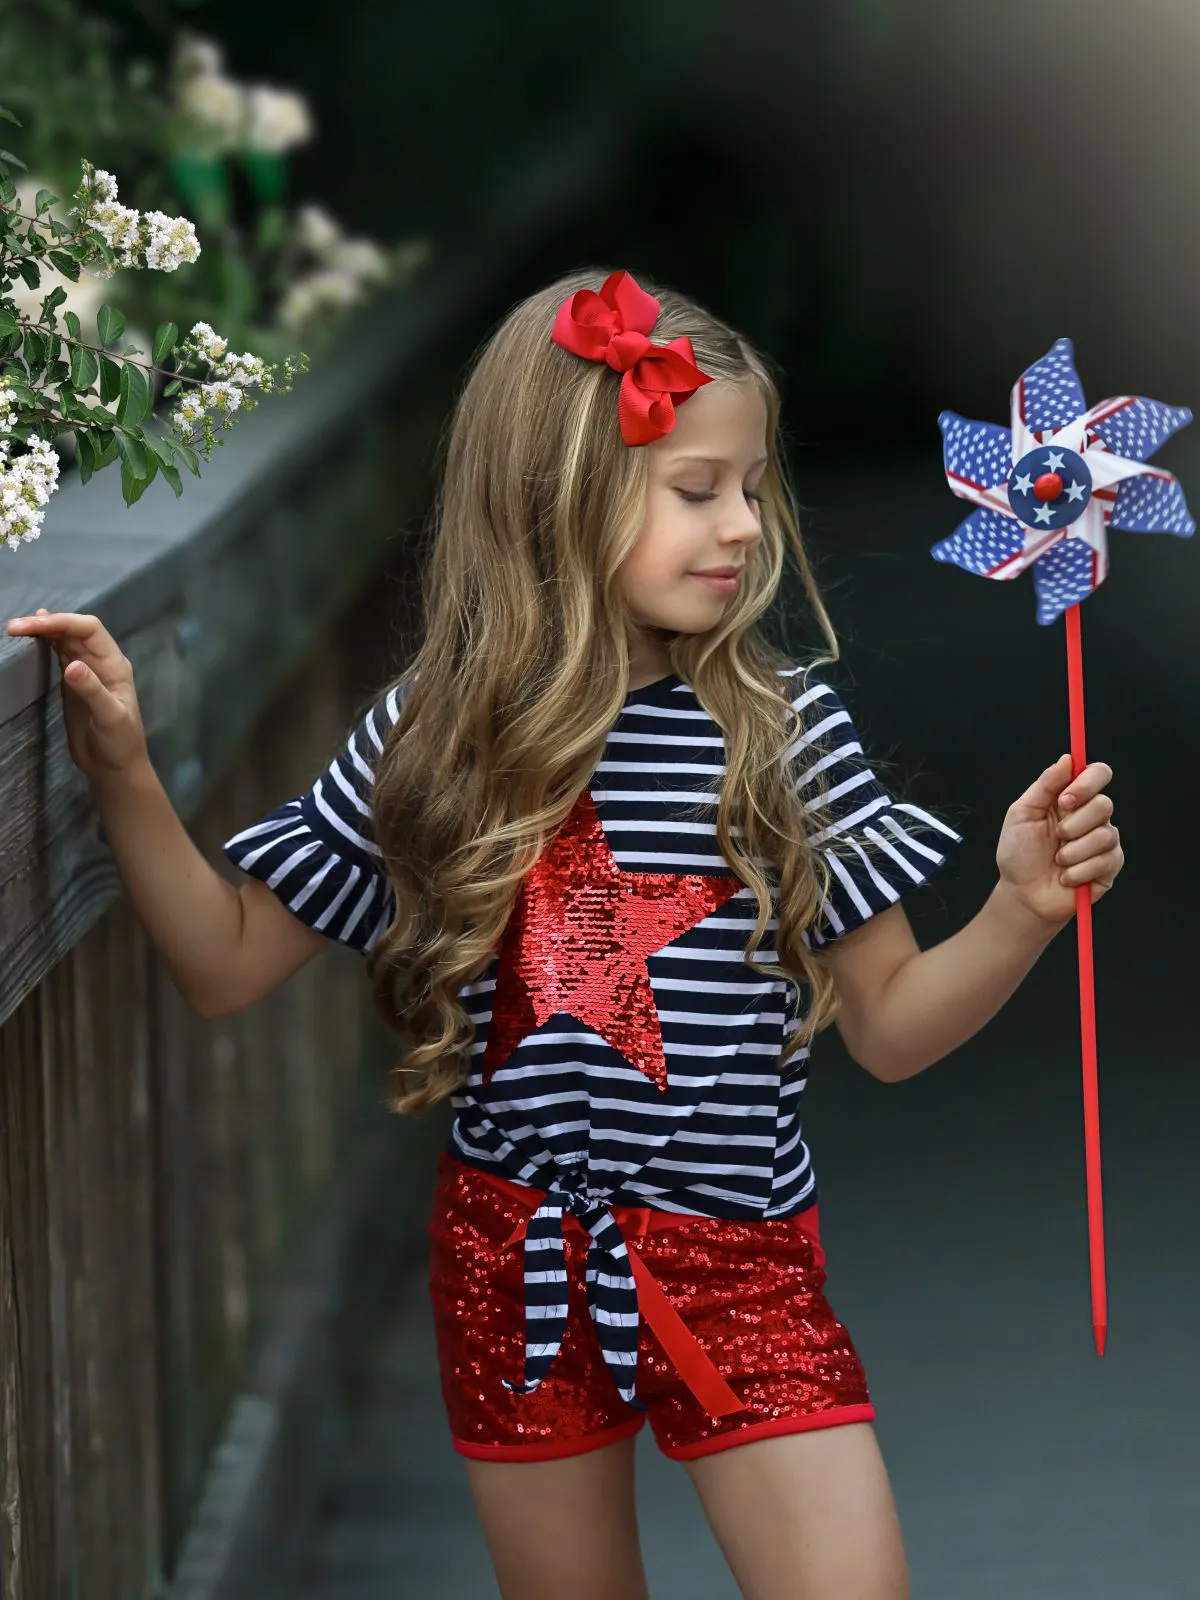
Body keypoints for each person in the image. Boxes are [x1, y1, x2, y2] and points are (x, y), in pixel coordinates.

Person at [6, 268, 1124, 1600]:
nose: (745, 527)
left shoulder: (783, 734)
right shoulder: (441, 736)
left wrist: (1016, 912)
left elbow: (886, 1027)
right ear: (557, 495)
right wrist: (125, 771)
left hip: (737, 1259)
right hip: (514, 1257)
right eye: (697, 489)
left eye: (755, 488)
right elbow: (228, 957)